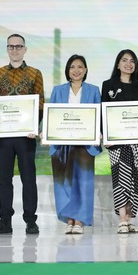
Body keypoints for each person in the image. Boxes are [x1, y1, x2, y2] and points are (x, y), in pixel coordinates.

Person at [0, 34, 45, 235]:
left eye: (18, 46)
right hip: (3, 136)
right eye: (11, 46)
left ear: (25, 49)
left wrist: (33, 127)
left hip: (25, 136)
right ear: (7, 49)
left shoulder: (35, 73)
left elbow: (40, 103)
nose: (14, 49)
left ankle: (30, 220)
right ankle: (5, 220)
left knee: (28, 179)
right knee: (4, 180)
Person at [49, 54, 101, 234]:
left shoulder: (94, 90)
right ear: (67, 70)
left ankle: (79, 220)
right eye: (72, 67)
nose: (76, 70)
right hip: (62, 145)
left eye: (80, 66)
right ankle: (69, 219)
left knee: (83, 183)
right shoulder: (58, 91)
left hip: (85, 144)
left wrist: (99, 132)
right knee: (64, 183)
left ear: (85, 70)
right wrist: (46, 131)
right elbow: (51, 115)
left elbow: (99, 116)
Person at [101, 49, 138, 234]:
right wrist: (105, 135)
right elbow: (103, 111)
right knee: (120, 179)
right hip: (117, 142)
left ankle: (129, 219)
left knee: (134, 180)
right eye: (124, 60)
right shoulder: (108, 85)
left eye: (132, 61)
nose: (128, 64)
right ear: (118, 64)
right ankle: (122, 219)